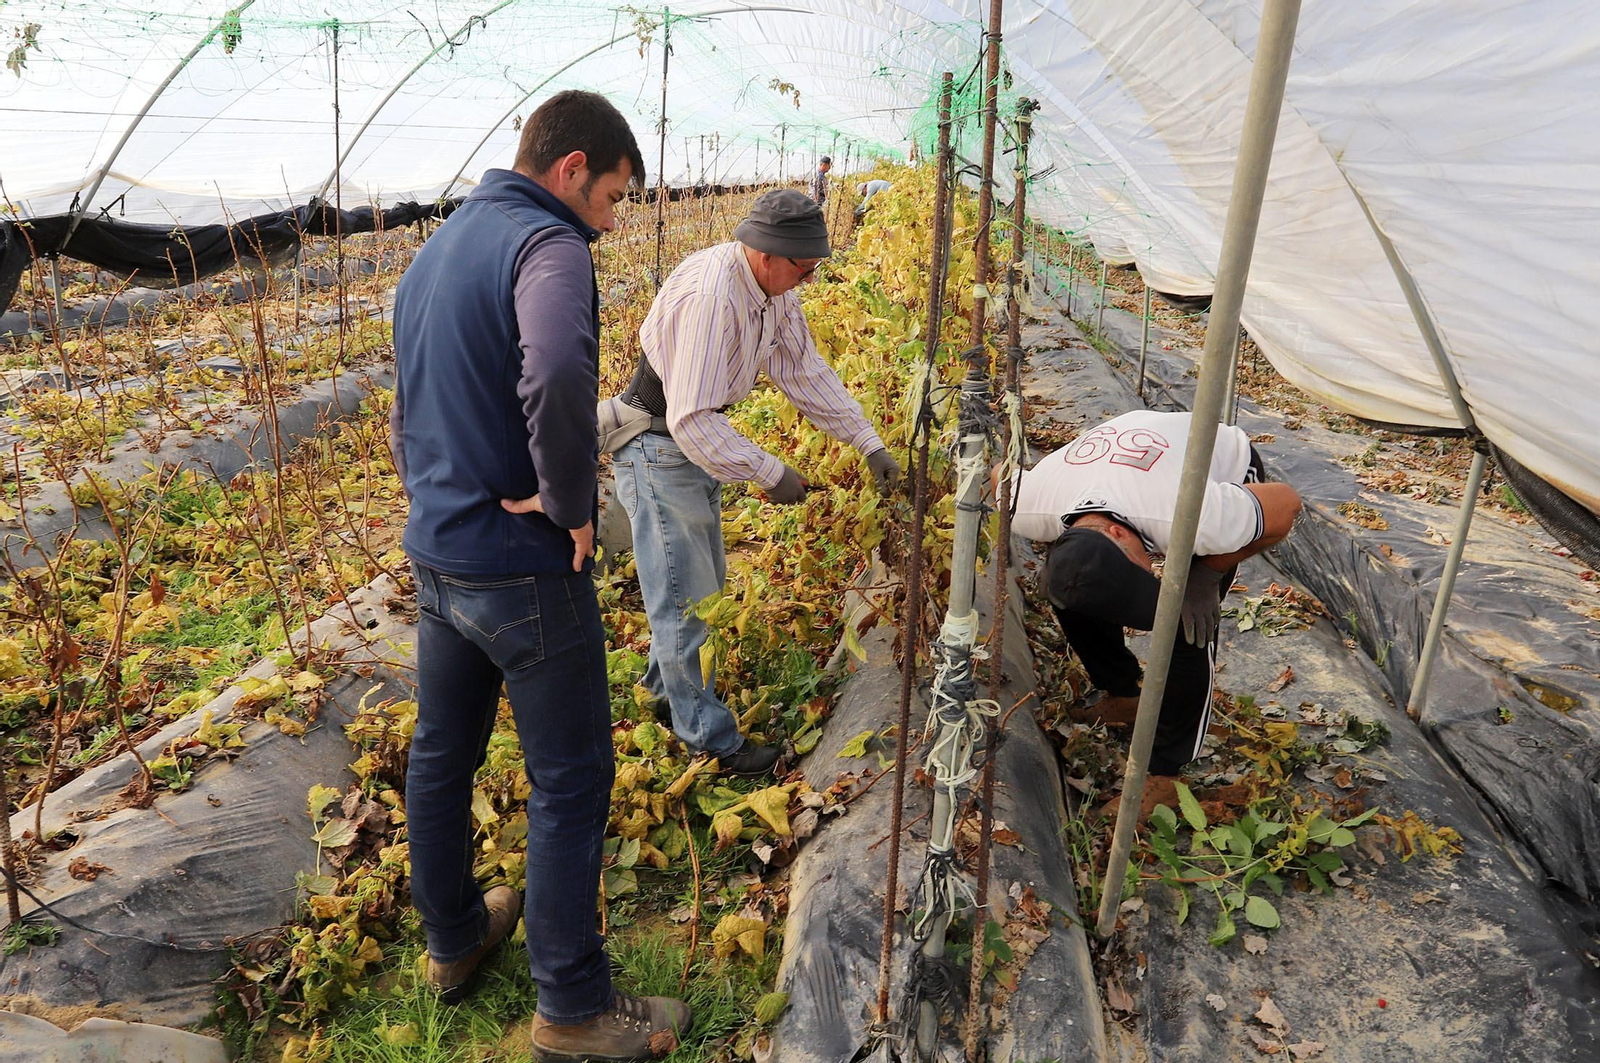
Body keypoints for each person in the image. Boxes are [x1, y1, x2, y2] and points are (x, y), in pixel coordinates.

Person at [390, 89, 691, 1061]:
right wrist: (567, 499)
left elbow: (411, 395)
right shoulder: (548, 246)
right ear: (570, 170)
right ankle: (571, 1008)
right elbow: (557, 362)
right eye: (612, 196)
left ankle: (454, 936)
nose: (610, 222)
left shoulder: (435, 250)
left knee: (443, 755)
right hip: (522, 566)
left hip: (438, 558)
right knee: (570, 778)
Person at [610, 189, 901, 776]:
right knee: (686, 599)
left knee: (700, 583)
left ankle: (663, 699)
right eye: (803, 266)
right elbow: (690, 419)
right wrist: (770, 472)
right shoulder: (713, 298)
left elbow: (803, 370)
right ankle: (707, 737)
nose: (810, 278)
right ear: (766, 252)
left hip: (690, 443)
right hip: (659, 445)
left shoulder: (770, 291)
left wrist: (867, 442)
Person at [1009, 409, 1302, 816]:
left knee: (1187, 624)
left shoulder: (1198, 514)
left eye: (1138, 567)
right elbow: (995, 476)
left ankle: (1165, 774)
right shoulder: (1029, 507)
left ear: (1117, 532)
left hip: (1219, 457)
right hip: (1123, 454)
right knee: (1075, 592)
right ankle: (1125, 693)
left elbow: (1286, 504)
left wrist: (1207, 575)